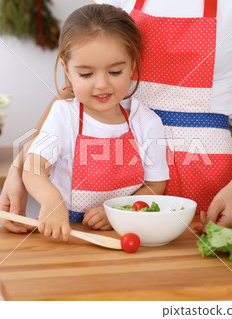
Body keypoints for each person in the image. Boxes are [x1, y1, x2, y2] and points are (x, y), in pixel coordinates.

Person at [0, 0, 232, 234]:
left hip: (208, 178)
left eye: (116, 72)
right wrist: (18, 167)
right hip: (121, 177)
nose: (103, 81)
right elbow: (75, 93)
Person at [18, 4, 169, 241]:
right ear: (67, 70)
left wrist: (119, 213)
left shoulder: (147, 122)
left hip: (122, 236)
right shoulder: (63, 115)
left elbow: (155, 185)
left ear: (132, 65)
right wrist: (52, 201)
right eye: (87, 74)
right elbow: (33, 168)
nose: (101, 84)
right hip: (66, 236)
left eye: (115, 72)